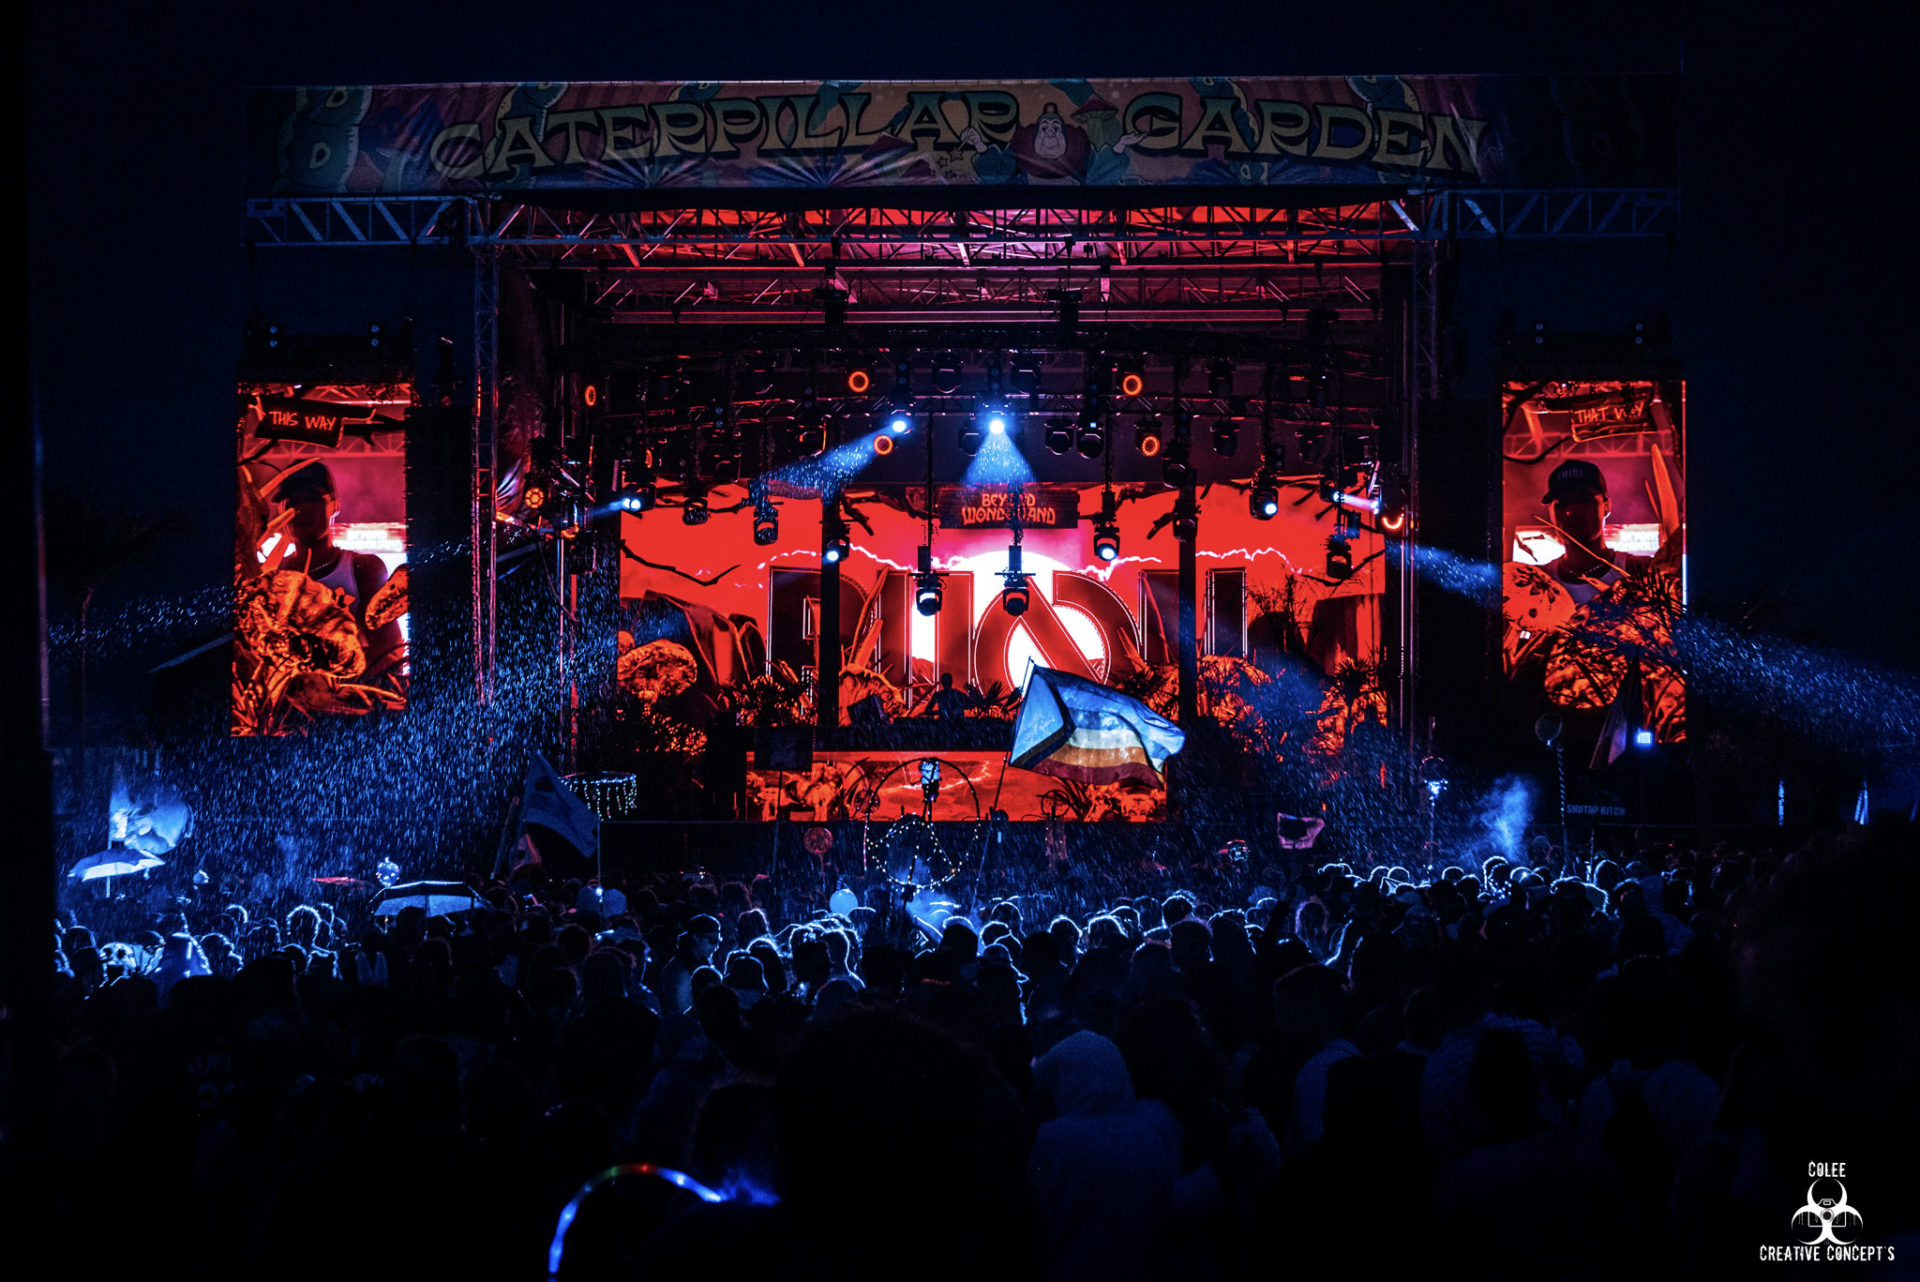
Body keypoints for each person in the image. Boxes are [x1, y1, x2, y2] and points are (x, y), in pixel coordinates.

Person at [271, 461, 403, 669]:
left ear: (334, 505)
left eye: (312, 499)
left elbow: (389, 651)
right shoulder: (272, 577)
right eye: (291, 501)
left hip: (348, 700)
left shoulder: (363, 570)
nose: (299, 509)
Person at [1538, 460, 1653, 604]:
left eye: (1583, 499)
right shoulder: (1538, 582)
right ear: (1551, 512)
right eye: (1562, 502)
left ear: (1607, 506)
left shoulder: (1641, 572)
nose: (1570, 511)